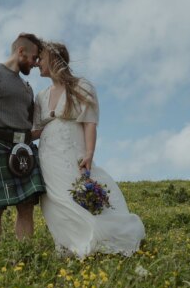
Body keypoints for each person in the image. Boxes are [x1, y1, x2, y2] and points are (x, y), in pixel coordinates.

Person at [32, 41, 145, 257]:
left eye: (41, 58)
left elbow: (89, 122)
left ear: (54, 59)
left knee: (75, 194)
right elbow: (36, 130)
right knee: (54, 200)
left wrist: (89, 154)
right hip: (47, 154)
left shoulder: (81, 86)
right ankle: (67, 244)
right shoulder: (41, 96)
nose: (37, 63)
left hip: (72, 149)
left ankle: (93, 238)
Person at [0, 33, 46, 247]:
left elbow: (28, 123)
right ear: (20, 51)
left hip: (25, 149)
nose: (35, 64)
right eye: (34, 58)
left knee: (26, 207)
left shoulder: (27, 87)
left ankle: (23, 256)